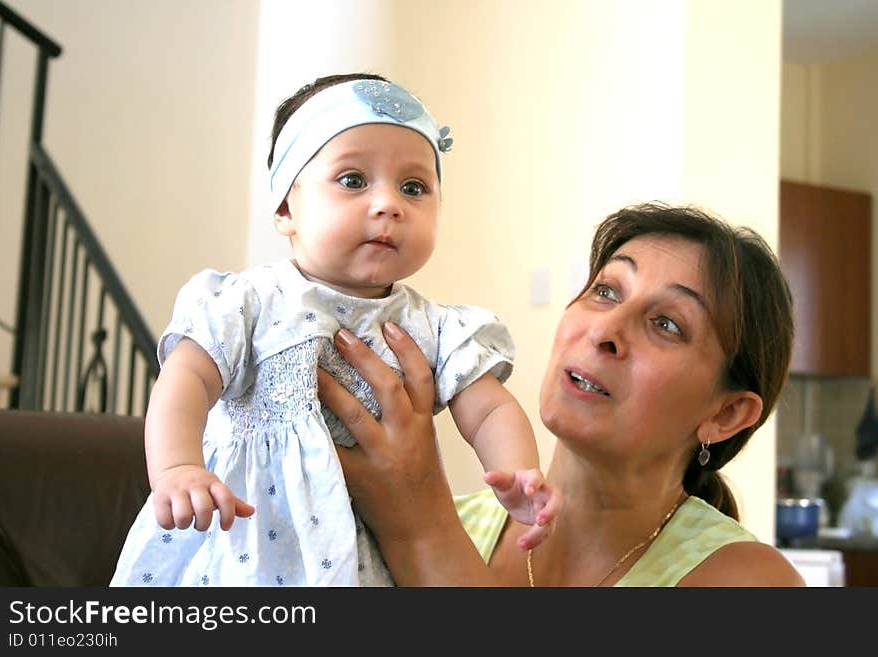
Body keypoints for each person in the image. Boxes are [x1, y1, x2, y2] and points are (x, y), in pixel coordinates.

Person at [109, 73, 560, 587]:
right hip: (249, 537)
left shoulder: (436, 325)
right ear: (285, 208)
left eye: (414, 187)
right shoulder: (249, 302)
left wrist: (519, 471)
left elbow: (490, 408)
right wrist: (176, 468)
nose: (389, 203)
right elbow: (186, 379)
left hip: (362, 546)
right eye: (353, 180)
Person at [317, 202, 807, 586]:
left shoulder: (749, 581)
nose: (605, 330)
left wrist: (419, 526)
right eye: (607, 291)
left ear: (726, 414)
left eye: (667, 324)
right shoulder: (447, 522)